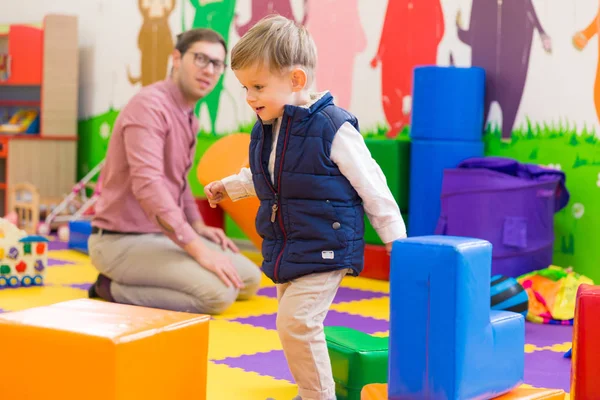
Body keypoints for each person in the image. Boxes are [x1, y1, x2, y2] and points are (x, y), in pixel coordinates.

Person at [204, 16, 406, 400]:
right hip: (289, 245)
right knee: (292, 325)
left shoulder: (332, 127)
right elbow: (264, 176)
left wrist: (397, 239)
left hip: (325, 245)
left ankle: (317, 395)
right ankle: (312, 388)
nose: (249, 96)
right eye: (245, 86)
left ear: (296, 80)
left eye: (258, 86)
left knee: (297, 323)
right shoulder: (268, 126)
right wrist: (228, 187)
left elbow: (372, 185)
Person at [87, 28, 262, 314]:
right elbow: (150, 187)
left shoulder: (188, 118)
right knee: (218, 294)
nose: (209, 70)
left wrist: (198, 227)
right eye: (201, 59)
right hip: (119, 241)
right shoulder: (148, 107)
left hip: (160, 236)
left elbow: (178, 184)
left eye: (217, 64)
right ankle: (109, 288)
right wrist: (198, 248)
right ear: (177, 58)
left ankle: (166, 268)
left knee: (248, 279)